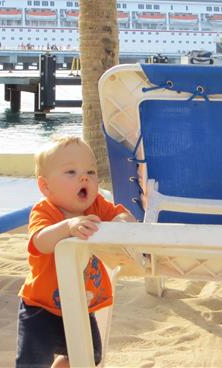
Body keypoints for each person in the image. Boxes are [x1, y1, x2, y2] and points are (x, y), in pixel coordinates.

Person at [16, 136, 135, 368]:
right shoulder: (45, 211)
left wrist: (121, 223)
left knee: (89, 356)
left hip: (80, 303)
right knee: (32, 363)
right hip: (40, 307)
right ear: (45, 186)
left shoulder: (97, 205)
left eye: (90, 172)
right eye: (70, 172)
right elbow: (39, 242)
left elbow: (123, 215)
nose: (84, 177)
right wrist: (67, 227)